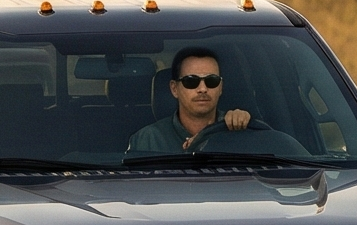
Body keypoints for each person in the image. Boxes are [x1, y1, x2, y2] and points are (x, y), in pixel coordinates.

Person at [125, 47, 307, 156]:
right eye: (191, 81)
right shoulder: (147, 140)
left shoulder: (243, 132)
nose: (203, 88)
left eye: (211, 81)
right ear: (174, 89)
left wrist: (246, 127)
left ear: (220, 87)